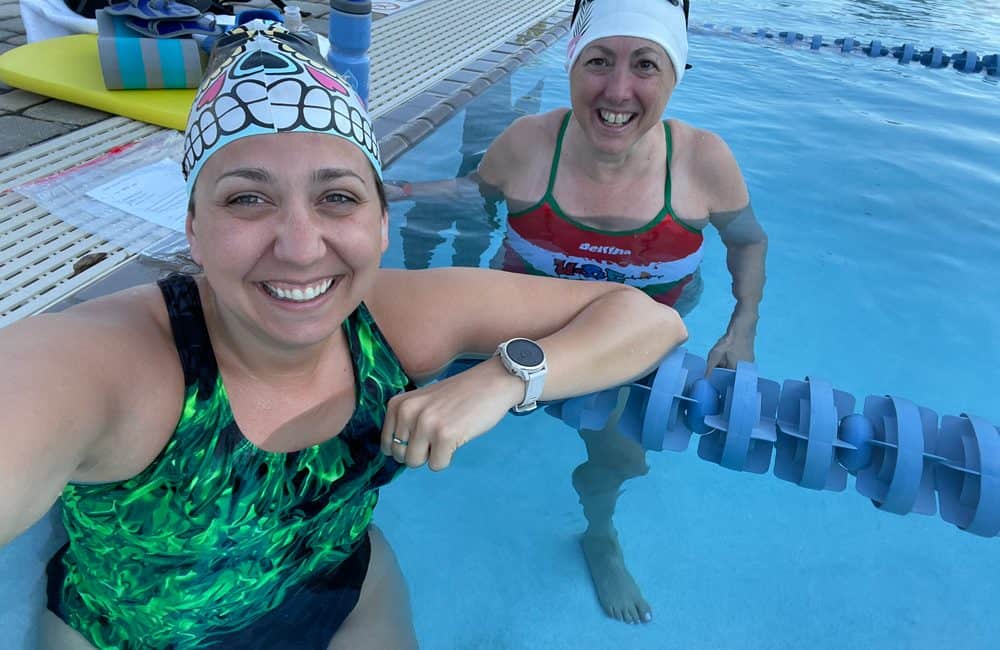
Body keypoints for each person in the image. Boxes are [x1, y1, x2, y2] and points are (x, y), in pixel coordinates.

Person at [0, 24, 687, 649]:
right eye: (247, 198)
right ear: (192, 232)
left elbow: (648, 318)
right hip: (125, 630)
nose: (301, 248)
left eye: (338, 198)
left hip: (335, 587)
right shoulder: (114, 362)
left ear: (382, 226)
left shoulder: (393, 321)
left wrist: (504, 378)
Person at [387, 0, 768, 626]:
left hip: (627, 343)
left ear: (677, 73)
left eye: (645, 64)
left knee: (623, 455)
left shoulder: (703, 162)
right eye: (598, 61)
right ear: (570, 64)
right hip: (513, 326)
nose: (617, 90)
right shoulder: (527, 144)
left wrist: (742, 326)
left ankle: (599, 533)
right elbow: (474, 197)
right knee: (405, 388)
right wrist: (401, 192)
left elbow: (748, 240)